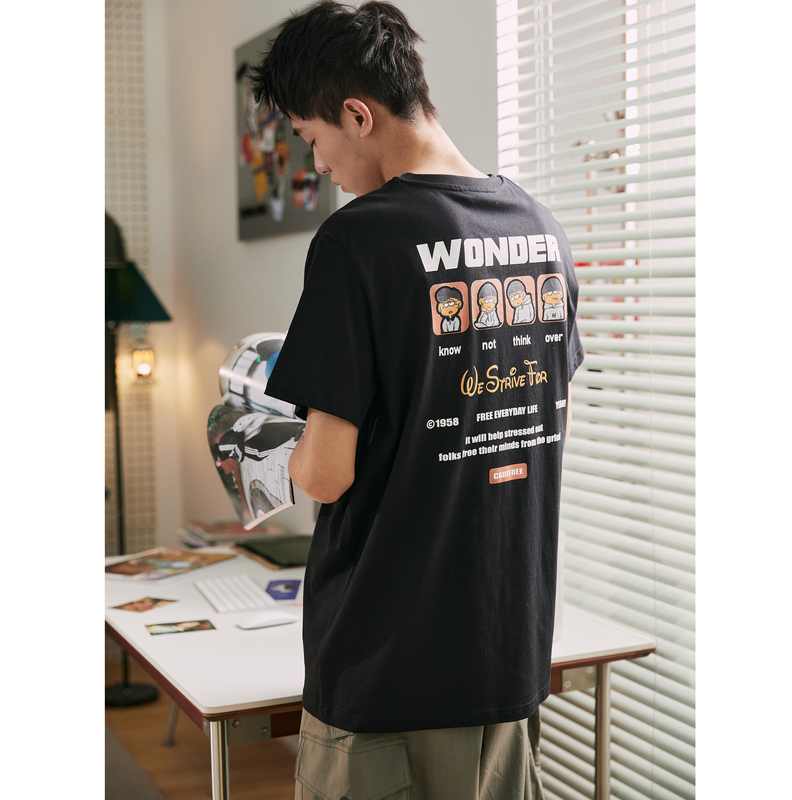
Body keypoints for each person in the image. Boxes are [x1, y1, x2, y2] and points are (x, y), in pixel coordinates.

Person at [250, 2, 583, 797]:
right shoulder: (542, 230)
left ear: (357, 115)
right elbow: (544, 423)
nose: (319, 164)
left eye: (312, 138)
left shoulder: (357, 241)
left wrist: (263, 441)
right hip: (507, 657)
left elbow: (325, 474)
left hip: (385, 668)